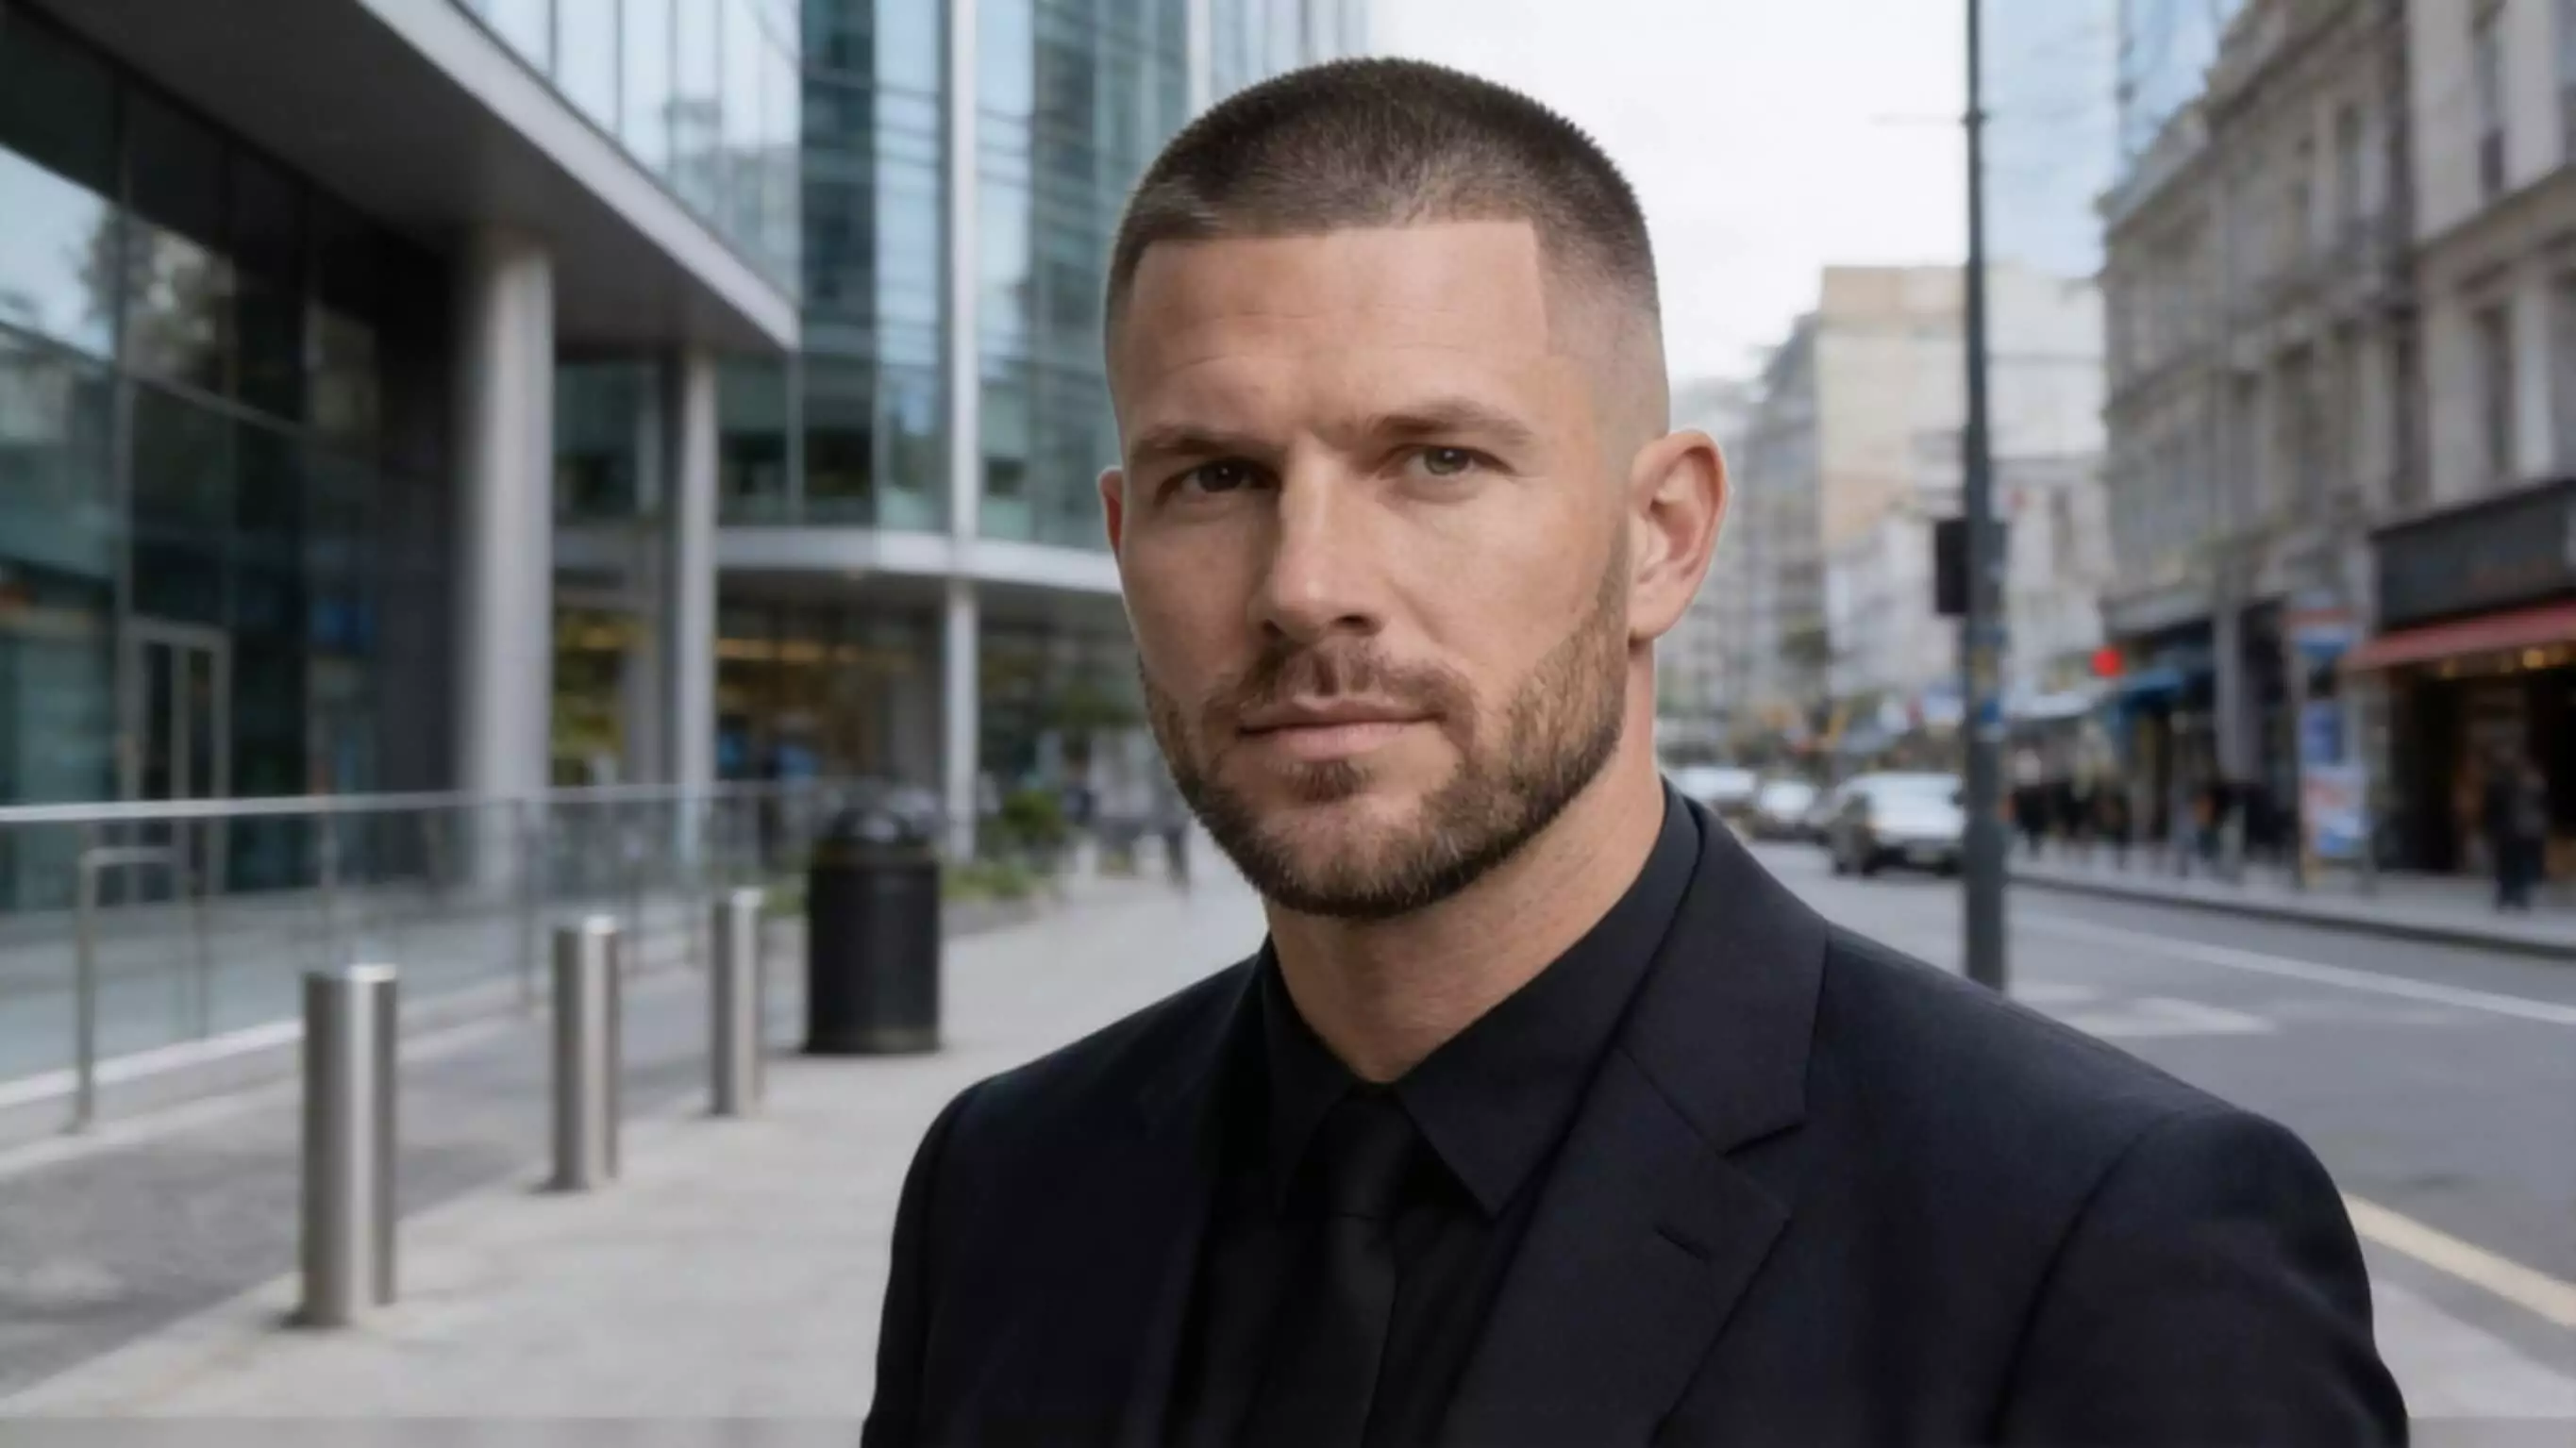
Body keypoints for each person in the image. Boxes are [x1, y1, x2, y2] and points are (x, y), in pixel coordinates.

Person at [863, 59, 2400, 1447]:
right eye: (1217, 475)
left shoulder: (2105, 1243)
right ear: (1127, 543)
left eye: (1437, 461)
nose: (1303, 583)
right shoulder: (1005, 1187)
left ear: (1661, 536)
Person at [2485, 749, 2550, 912]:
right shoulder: (2505, 783)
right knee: (2510, 863)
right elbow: (2495, 807)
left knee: (2517, 863)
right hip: (2511, 829)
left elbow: (2539, 805)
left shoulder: (2527, 784)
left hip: (2520, 829)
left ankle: (2514, 895)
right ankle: (2510, 894)